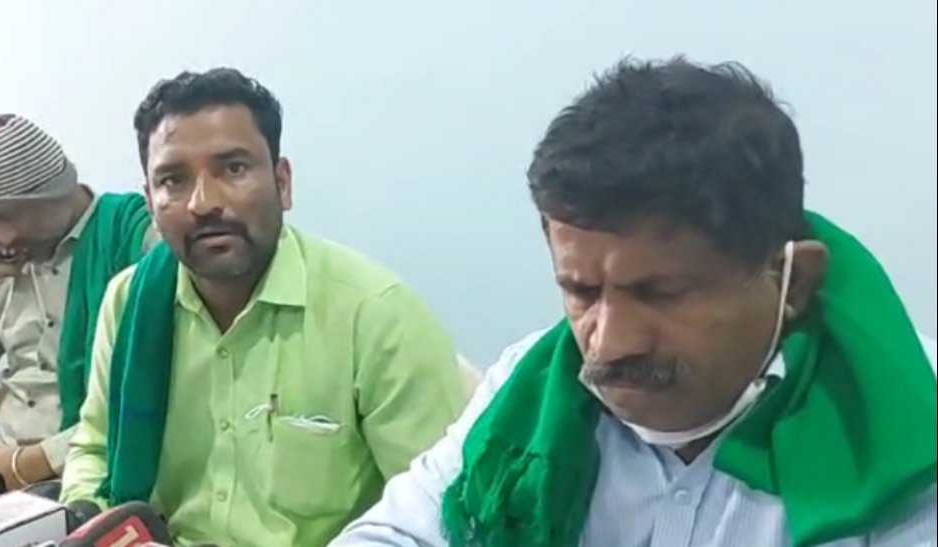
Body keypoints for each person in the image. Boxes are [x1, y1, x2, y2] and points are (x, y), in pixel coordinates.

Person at [332, 58, 937, 547]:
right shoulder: (529, 385)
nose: (610, 343)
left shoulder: (914, 429)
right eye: (581, 291)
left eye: (662, 294)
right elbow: (394, 534)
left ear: (793, 282)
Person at [58, 68, 472, 546]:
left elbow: (442, 516)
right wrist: (91, 521)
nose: (203, 202)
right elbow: (95, 447)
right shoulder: (130, 302)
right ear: (150, 201)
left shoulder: (375, 316)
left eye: (233, 169)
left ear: (282, 183)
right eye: (174, 180)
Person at [0, 114, 156, 490]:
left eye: (7, 216)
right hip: (2, 465)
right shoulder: (2, 265)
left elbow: (156, 393)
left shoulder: (135, 240)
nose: (2, 236)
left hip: (86, 467)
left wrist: (28, 464)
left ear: (55, 192)